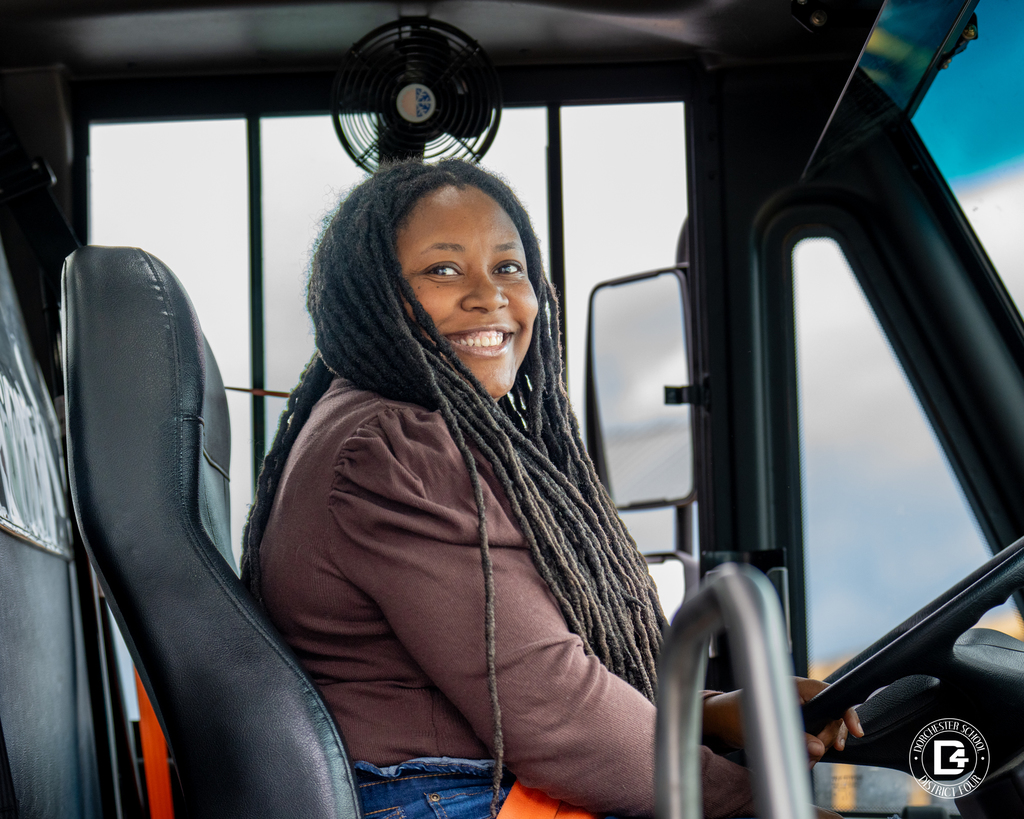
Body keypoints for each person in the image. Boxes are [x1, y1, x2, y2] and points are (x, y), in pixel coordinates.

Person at [239, 159, 860, 819]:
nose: (489, 296)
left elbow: (528, 674)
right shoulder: (392, 451)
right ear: (371, 295)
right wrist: (751, 801)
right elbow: (553, 706)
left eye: (509, 267)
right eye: (442, 270)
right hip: (443, 799)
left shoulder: (373, 424)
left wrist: (708, 715)